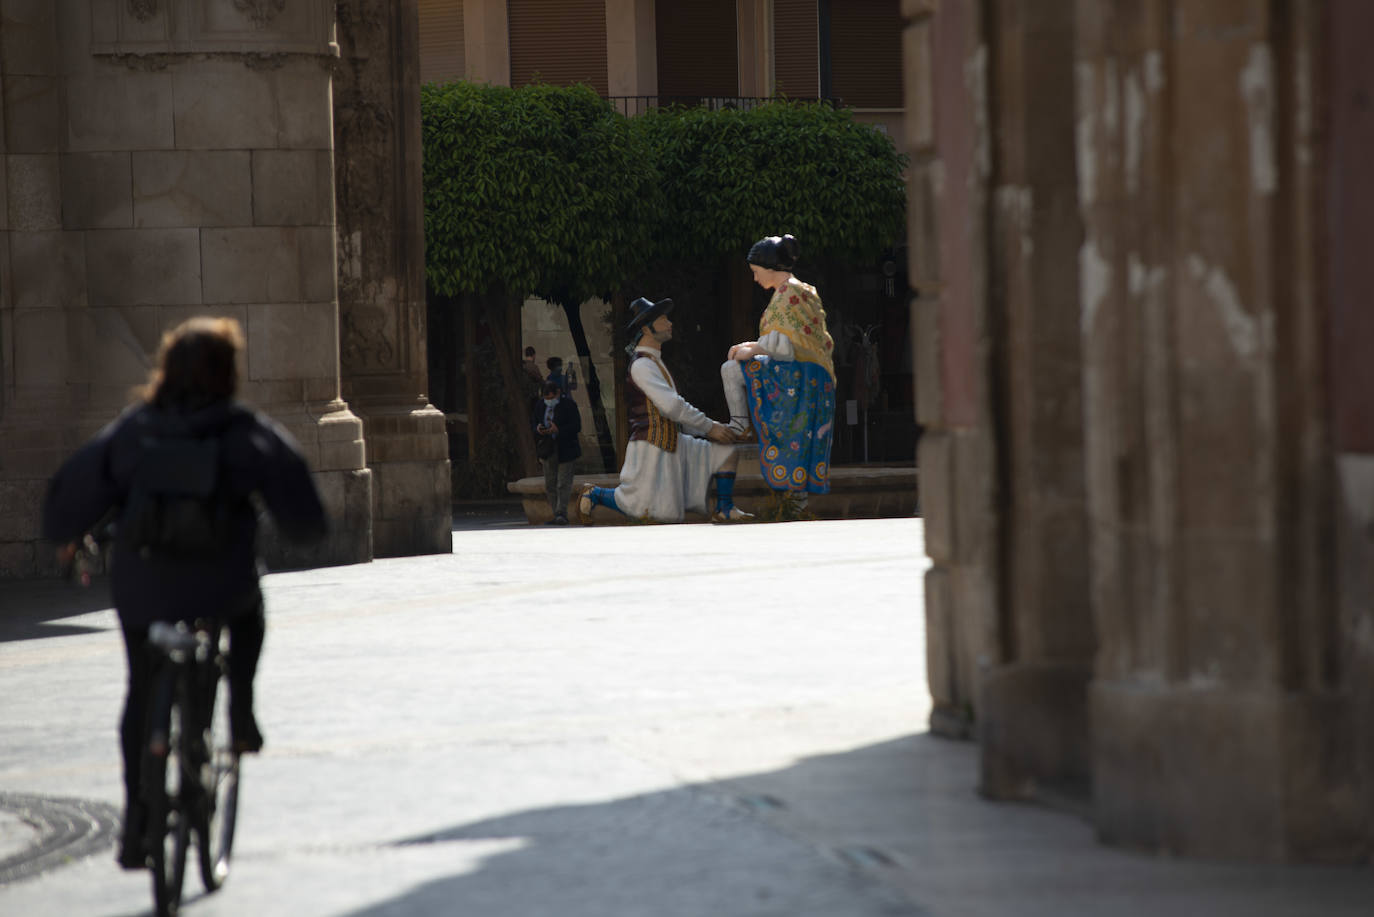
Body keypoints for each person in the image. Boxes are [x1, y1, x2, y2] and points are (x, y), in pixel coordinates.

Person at [41, 316, 327, 869]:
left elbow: (69, 496)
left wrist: (66, 535)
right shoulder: (244, 430)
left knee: (140, 687)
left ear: (165, 369)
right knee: (251, 610)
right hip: (222, 583)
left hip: (142, 587)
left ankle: (138, 820)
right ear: (229, 372)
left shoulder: (133, 429)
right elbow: (304, 515)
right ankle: (240, 714)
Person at [578, 297, 751, 524]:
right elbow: (672, 406)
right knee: (643, 508)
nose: (669, 323)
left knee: (726, 454)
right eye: (662, 319)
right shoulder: (642, 365)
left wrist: (714, 430)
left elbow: (675, 412)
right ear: (645, 329)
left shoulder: (654, 362)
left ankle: (725, 508)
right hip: (651, 446)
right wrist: (710, 428)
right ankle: (595, 493)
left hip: (673, 441)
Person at [721, 233, 836, 497]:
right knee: (801, 444)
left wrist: (751, 349)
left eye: (756, 271)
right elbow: (791, 339)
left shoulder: (788, 295)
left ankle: (739, 424)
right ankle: (796, 501)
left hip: (796, 376)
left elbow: (785, 345)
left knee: (730, 369)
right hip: (811, 375)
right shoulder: (801, 290)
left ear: (770, 268)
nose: (755, 277)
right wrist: (753, 347)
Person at [532, 379, 582, 525]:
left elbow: (576, 426)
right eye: (546, 398)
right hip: (548, 448)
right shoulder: (540, 405)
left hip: (566, 448)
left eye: (551, 398)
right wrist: (539, 429)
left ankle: (562, 513)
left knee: (563, 483)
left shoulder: (569, 405)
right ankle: (556, 513)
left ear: (558, 393)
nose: (549, 401)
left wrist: (559, 430)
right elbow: (534, 421)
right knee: (550, 483)